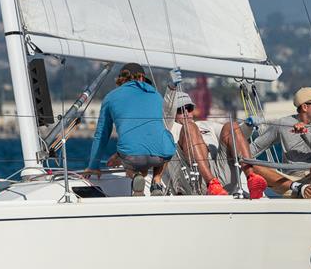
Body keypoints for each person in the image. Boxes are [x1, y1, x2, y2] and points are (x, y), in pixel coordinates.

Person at [220, 87, 311, 242]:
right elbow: (254, 149)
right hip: (293, 182)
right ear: (304, 107)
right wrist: (233, 147)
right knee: (254, 166)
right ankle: (299, 189)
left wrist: (305, 134)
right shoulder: (283, 124)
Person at [85, 63, 176, 196]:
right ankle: (156, 180)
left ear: (121, 79)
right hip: (159, 156)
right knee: (166, 138)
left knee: (130, 150)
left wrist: (93, 165)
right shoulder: (156, 95)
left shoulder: (111, 97)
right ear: (141, 79)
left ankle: (134, 177)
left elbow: (102, 135)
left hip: (132, 157)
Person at [171, 91, 228, 196]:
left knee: (231, 127)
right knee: (189, 126)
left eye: (189, 108)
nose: (186, 112)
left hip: (217, 173)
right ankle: (211, 183)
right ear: (172, 113)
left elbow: (230, 135)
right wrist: (171, 89)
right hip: (188, 179)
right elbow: (165, 112)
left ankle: (253, 177)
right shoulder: (170, 127)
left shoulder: (205, 125)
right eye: (180, 110)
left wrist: (248, 126)